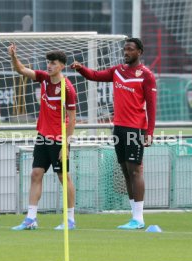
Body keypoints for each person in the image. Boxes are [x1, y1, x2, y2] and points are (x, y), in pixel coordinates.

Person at [71, 38, 157, 230]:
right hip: (118, 127)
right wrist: (80, 68)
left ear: (139, 52)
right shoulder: (117, 71)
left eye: (130, 49)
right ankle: (134, 216)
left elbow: (151, 107)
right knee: (126, 172)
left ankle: (139, 218)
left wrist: (149, 132)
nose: (126, 52)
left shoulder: (146, 75)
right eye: (125, 49)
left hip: (136, 128)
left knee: (136, 171)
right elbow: (94, 75)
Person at [8, 44, 76, 230]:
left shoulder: (67, 88)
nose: (49, 66)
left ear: (62, 66)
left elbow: (72, 118)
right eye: (48, 63)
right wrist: (14, 56)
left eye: (53, 63)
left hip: (59, 139)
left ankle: (70, 220)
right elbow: (20, 69)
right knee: (36, 174)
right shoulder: (44, 79)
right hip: (43, 136)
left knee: (63, 177)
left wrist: (66, 145)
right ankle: (31, 219)